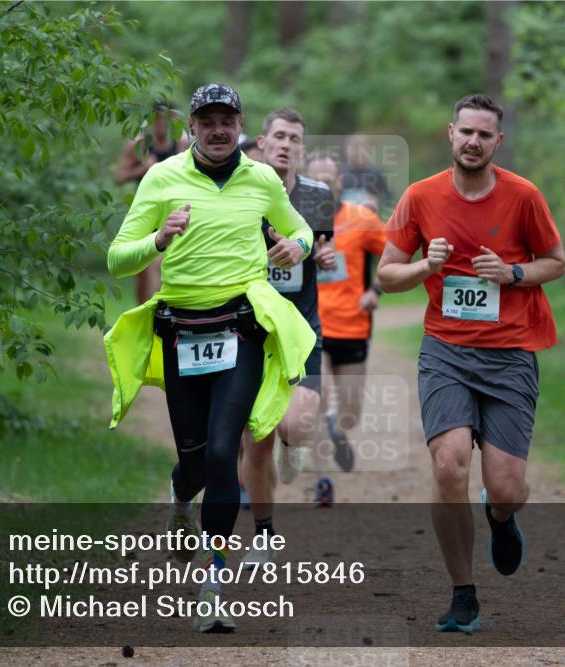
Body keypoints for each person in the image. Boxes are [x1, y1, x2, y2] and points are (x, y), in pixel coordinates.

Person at [105, 83, 315, 633]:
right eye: (207, 121)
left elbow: (299, 228)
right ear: (192, 127)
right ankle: (180, 498)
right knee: (195, 463)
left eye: (227, 119)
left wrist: (299, 245)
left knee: (226, 454)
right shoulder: (161, 177)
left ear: (241, 123)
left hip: (239, 329)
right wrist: (157, 240)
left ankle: (214, 585)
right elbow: (116, 259)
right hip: (182, 332)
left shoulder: (262, 179)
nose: (218, 130)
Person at [377, 94, 565, 634]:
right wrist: (423, 266)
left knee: (507, 488)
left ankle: (500, 515)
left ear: (497, 142)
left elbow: (556, 261)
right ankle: (463, 593)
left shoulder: (524, 196)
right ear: (450, 133)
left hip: (509, 354)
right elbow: (388, 275)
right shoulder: (420, 197)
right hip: (447, 352)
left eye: (485, 134)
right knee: (448, 464)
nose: (473, 142)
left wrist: (512, 275)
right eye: (466, 132)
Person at [240, 107, 343, 570]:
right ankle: (263, 537)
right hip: (247, 331)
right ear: (261, 142)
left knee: (295, 426)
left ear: (303, 147)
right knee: (253, 442)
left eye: (294, 138)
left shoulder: (319, 195)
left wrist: (323, 257)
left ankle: (293, 443)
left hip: (300, 329)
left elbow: (325, 248)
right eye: (278, 136)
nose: (285, 144)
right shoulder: (241, 191)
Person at [306, 152, 387, 460]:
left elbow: (395, 254)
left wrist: (375, 290)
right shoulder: (293, 221)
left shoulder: (362, 219)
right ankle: (322, 474)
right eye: (313, 181)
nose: (320, 187)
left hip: (352, 323)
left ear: (339, 183)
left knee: (351, 412)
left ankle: (336, 428)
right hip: (310, 324)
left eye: (326, 181)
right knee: (317, 397)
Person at [113, 101, 190, 305]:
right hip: (146, 212)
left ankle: (162, 310)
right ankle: (144, 311)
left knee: (163, 264)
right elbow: (119, 176)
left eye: (167, 119)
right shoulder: (139, 143)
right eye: (157, 119)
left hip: (171, 212)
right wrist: (144, 169)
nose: (162, 125)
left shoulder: (181, 143)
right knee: (144, 270)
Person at [339, 134, 393, 213]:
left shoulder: (376, 173)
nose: (356, 153)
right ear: (346, 150)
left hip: (368, 219)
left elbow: (389, 197)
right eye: (353, 148)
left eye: (360, 148)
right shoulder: (339, 172)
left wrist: (377, 202)